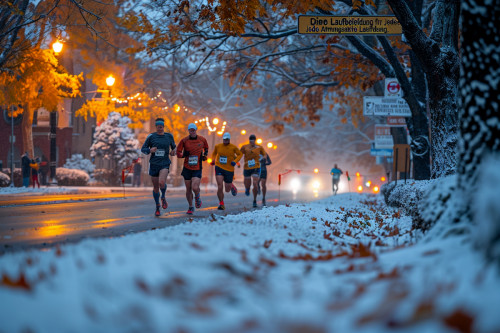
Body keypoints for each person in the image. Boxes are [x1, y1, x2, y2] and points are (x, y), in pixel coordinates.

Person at [141, 118, 177, 217]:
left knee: (162, 183)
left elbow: (174, 148)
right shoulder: (151, 137)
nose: (160, 128)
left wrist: (173, 152)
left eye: (161, 126)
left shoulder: (169, 136)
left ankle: (163, 197)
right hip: (154, 164)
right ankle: (157, 206)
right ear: (156, 127)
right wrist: (150, 150)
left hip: (165, 163)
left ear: (163, 126)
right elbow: (143, 149)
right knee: (156, 187)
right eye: (158, 126)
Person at [176, 123, 209, 215]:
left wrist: (205, 155)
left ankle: (197, 196)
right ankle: (191, 206)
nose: (192, 131)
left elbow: (206, 147)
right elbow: (178, 153)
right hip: (187, 167)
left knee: (195, 187)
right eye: (190, 130)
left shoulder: (202, 139)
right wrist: (183, 154)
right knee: (188, 188)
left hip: (197, 167)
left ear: (196, 130)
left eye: (193, 130)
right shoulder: (184, 140)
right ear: (188, 131)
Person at [210, 132, 243, 210]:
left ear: (229, 139)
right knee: (220, 185)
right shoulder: (218, 146)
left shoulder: (233, 147)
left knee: (227, 189)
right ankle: (221, 203)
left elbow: (240, 154)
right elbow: (214, 153)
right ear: (223, 139)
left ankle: (231, 185)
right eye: (224, 139)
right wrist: (213, 160)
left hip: (229, 169)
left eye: (227, 139)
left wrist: (235, 161)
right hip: (219, 167)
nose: (225, 141)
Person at [240, 134, 267, 208]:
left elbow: (264, 154)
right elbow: (239, 154)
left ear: (255, 140)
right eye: (250, 140)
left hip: (256, 167)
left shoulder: (259, 147)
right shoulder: (245, 147)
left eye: (253, 140)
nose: (252, 141)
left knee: (255, 183)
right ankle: (247, 188)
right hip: (247, 167)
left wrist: (264, 158)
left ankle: (254, 200)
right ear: (249, 140)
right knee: (247, 183)